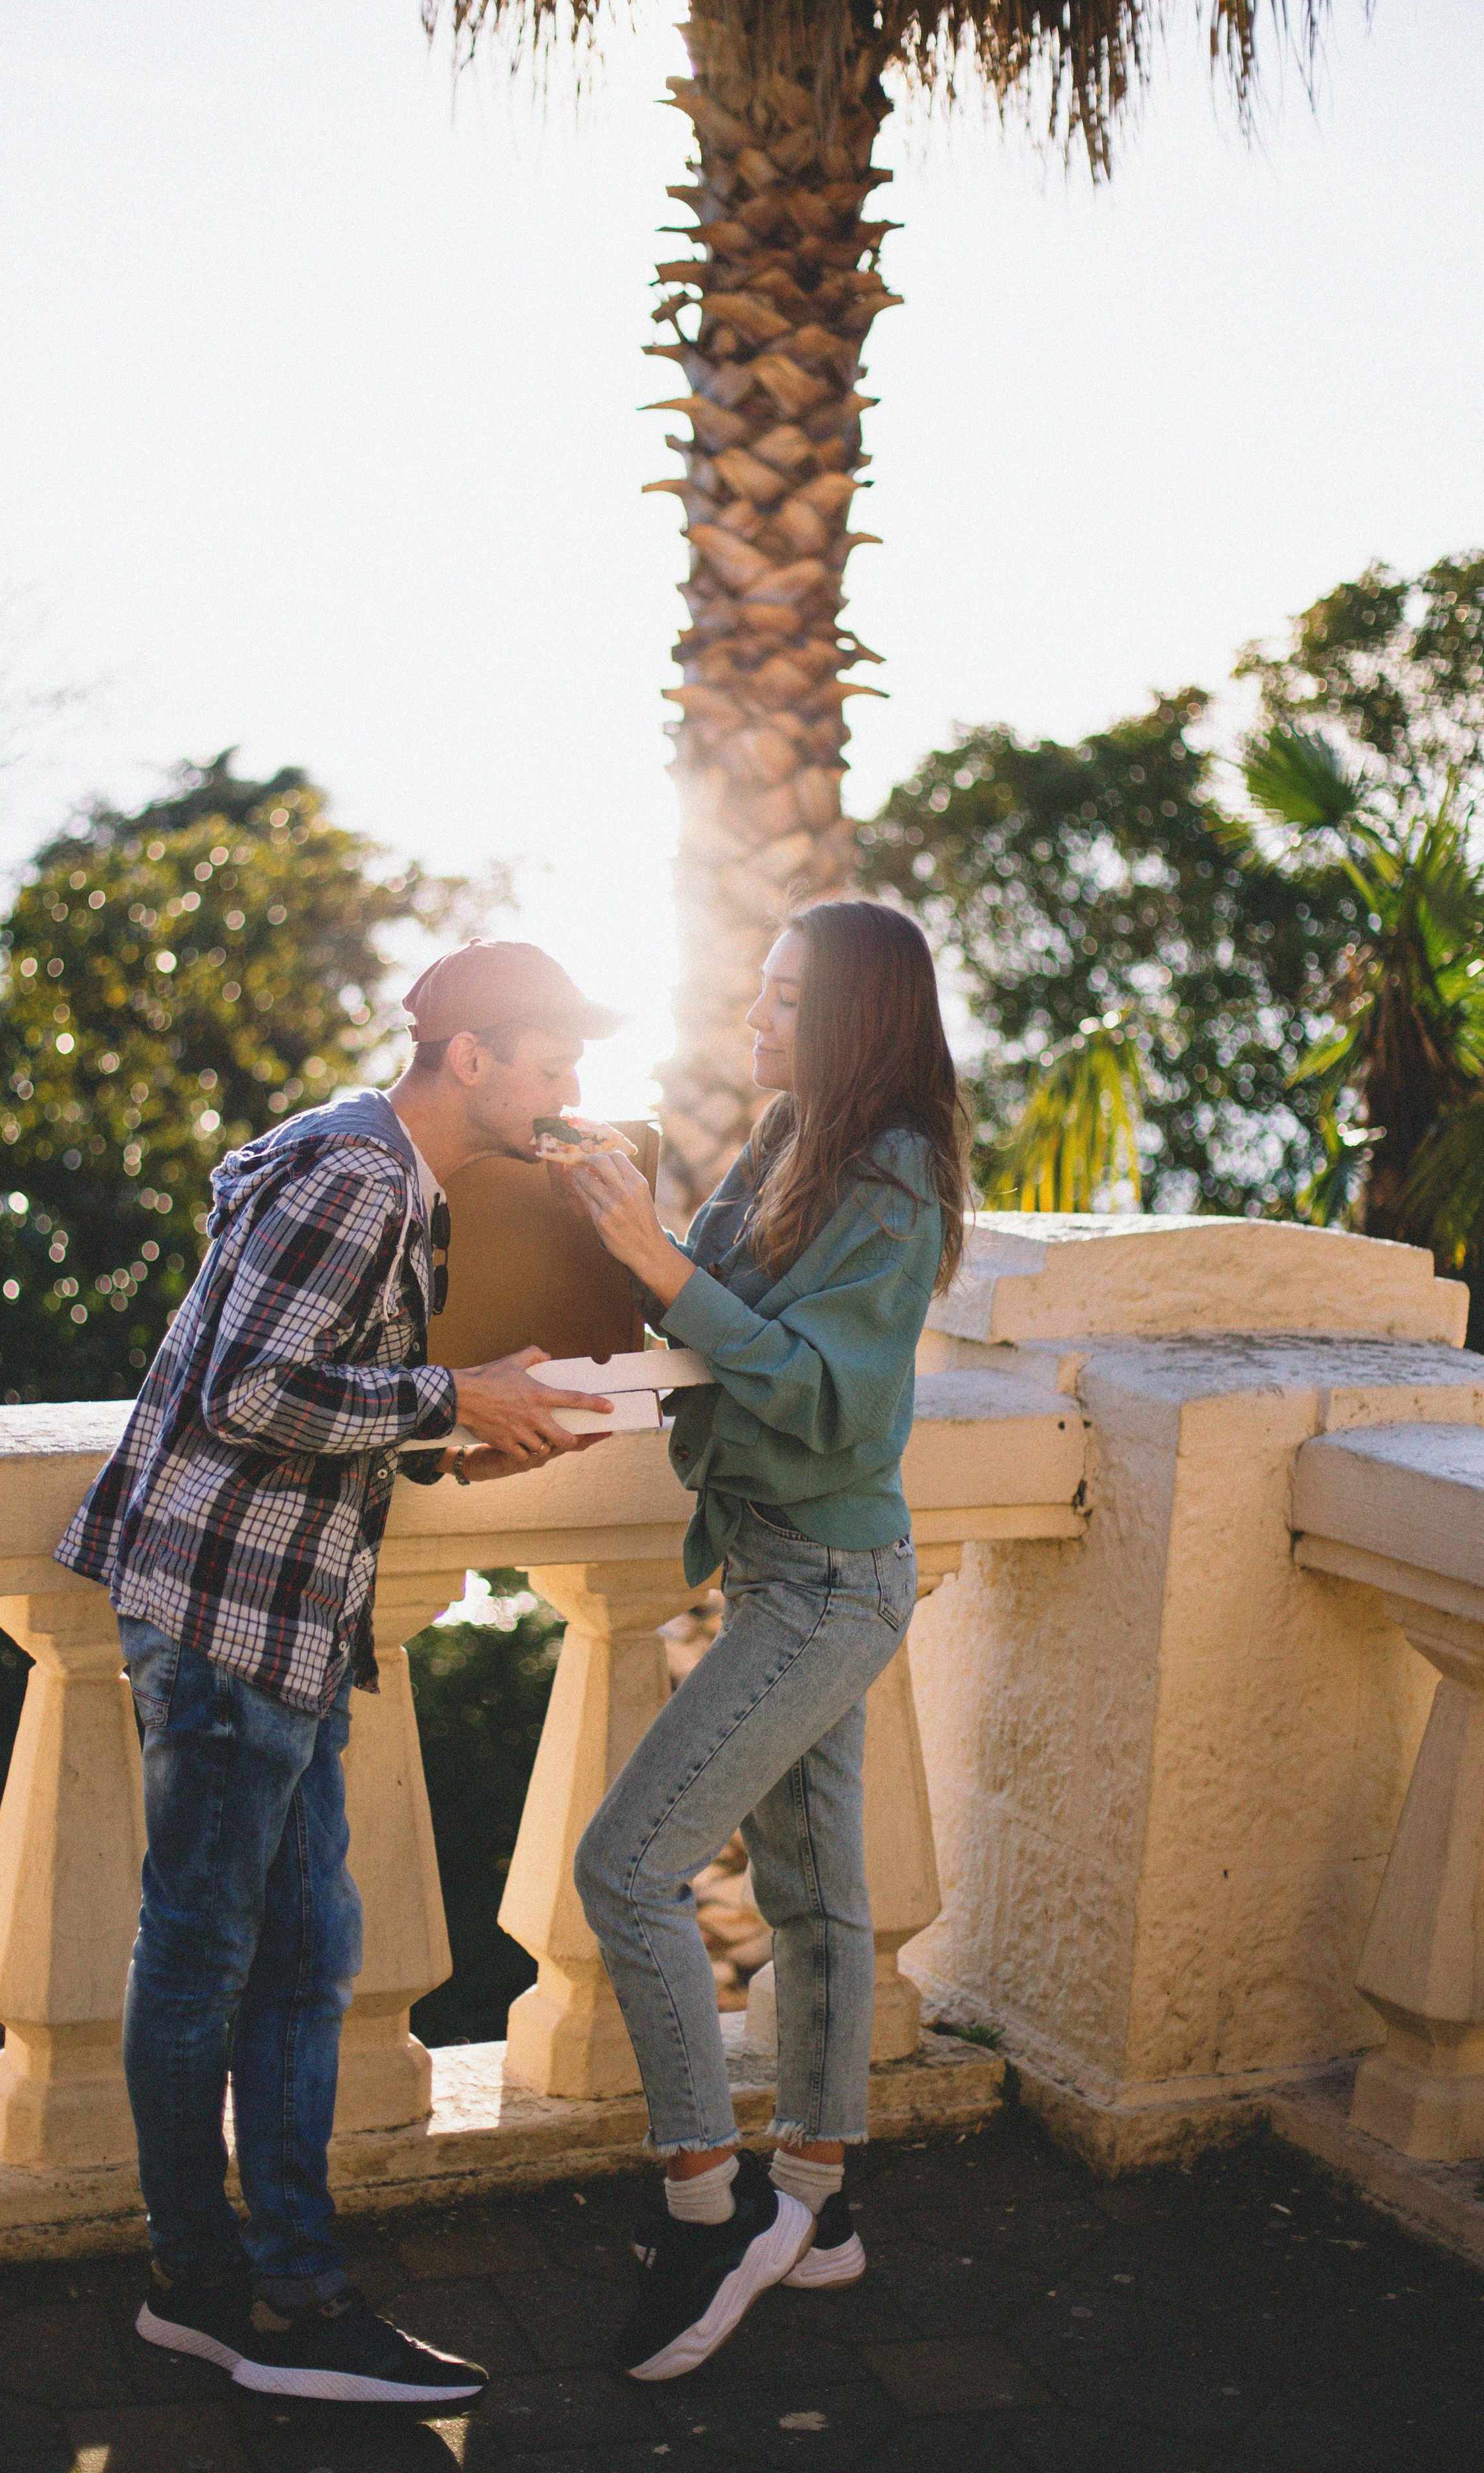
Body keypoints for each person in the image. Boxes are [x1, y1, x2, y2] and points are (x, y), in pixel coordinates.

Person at [54, 939, 621, 2408]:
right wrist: (455, 1393)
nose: (569, 1094)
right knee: (213, 1962)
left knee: (302, 1958)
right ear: (469, 1055)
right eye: (549, 1063)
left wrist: (458, 1437)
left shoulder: (361, 1161)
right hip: (235, 1618)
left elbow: (299, 1392)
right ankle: (235, 2292)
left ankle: (263, 2286)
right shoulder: (362, 1179)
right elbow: (250, 1388)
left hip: (267, 1616)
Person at [563, 898, 968, 2383]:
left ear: (859, 1019)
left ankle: (703, 2205)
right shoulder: (783, 1141)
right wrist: (593, 1258)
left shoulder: (896, 1177)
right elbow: (696, 1320)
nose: (755, 1019)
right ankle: (823, 2199)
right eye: (757, 991)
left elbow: (824, 1393)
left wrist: (655, 1260)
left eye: (788, 1001)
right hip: (774, 1563)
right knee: (810, 1893)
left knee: (626, 1865)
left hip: (831, 1581)